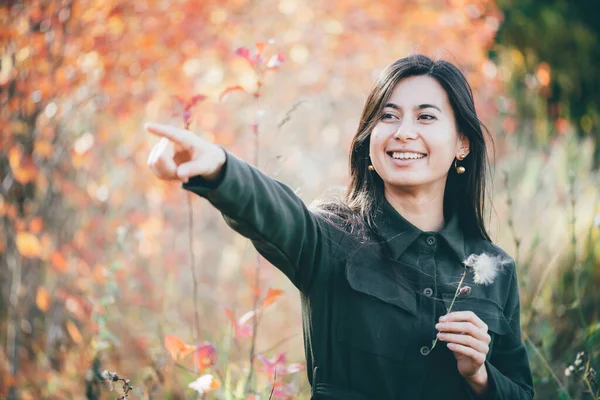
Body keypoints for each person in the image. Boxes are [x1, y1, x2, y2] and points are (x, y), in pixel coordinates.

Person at [145, 54, 535, 399]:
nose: (403, 131)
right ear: (370, 140)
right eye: (388, 116)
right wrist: (219, 167)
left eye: (426, 116)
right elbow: (277, 212)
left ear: (462, 143)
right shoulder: (333, 238)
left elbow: (521, 391)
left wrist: (480, 376)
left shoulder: (494, 269)